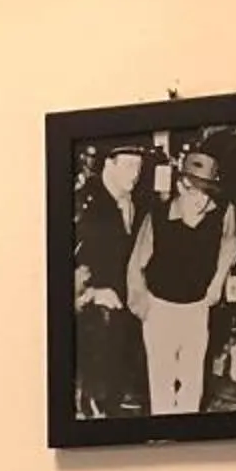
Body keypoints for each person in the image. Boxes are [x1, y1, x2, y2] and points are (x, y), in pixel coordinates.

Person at [129, 147, 236, 415]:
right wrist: (142, 306)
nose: (201, 198)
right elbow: (136, 263)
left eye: (207, 191)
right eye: (194, 189)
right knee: (161, 379)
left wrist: (216, 286)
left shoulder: (223, 211)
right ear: (181, 185)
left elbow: (230, 245)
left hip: (196, 309)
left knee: (192, 379)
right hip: (160, 309)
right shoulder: (157, 216)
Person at [72, 143, 147, 418]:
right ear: (108, 164)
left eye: (139, 167)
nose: (135, 174)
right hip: (94, 320)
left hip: (126, 314)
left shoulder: (133, 202)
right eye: (128, 165)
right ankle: (94, 405)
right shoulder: (83, 205)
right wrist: (91, 292)